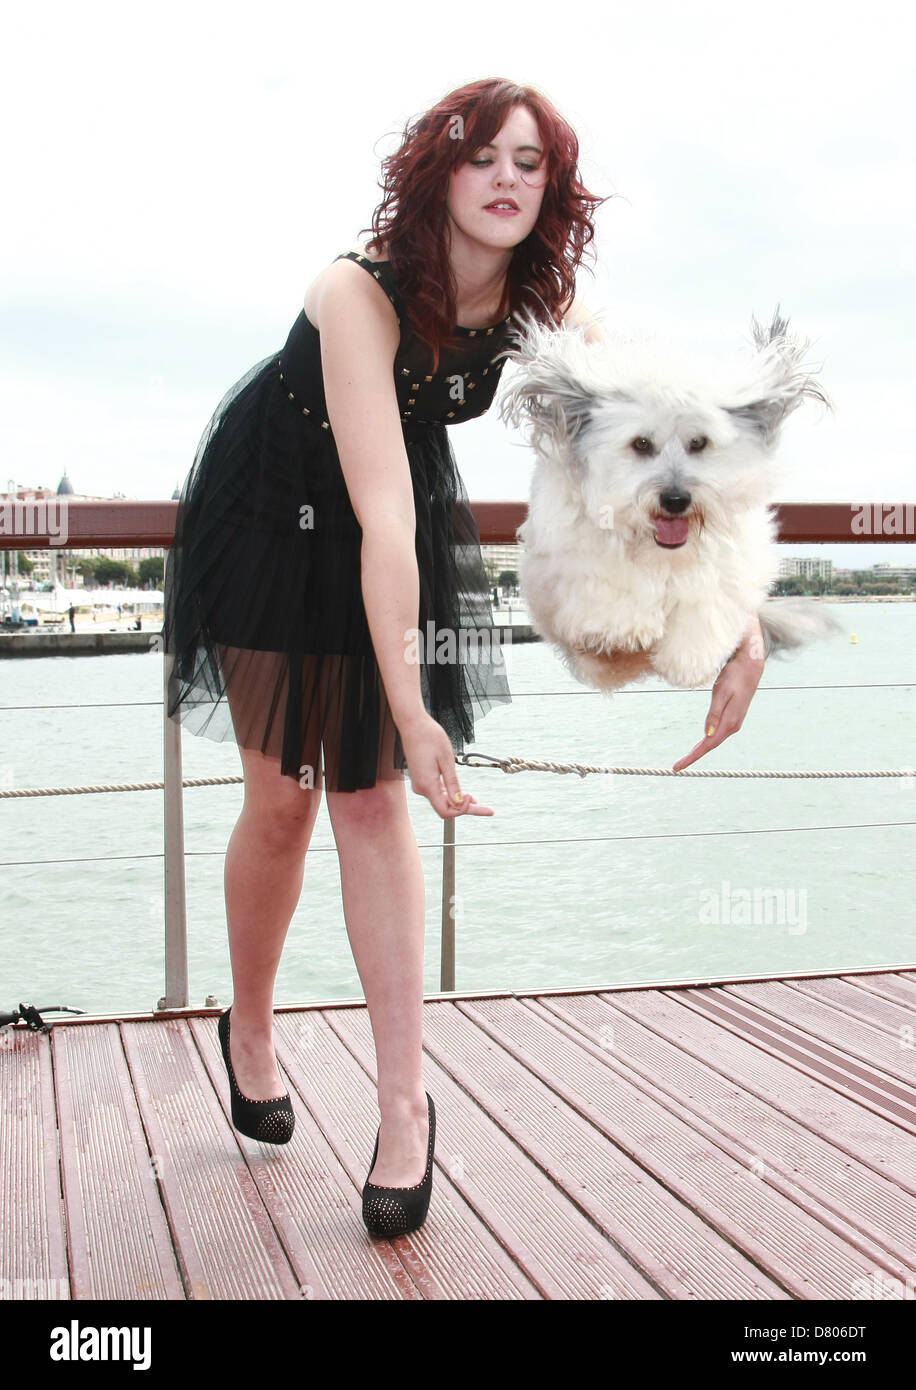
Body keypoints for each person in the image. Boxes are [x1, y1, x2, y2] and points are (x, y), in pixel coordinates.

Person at [162, 77, 768, 1239]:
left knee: (372, 799)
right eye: (482, 155)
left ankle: (402, 1108)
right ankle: (248, 1024)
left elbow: (662, 465)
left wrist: (736, 618)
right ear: (439, 172)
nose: (505, 178)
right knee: (282, 802)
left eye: (530, 163)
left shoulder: (550, 308)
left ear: (553, 189)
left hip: (389, 512)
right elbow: (382, 521)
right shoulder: (358, 291)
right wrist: (412, 702)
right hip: (276, 512)